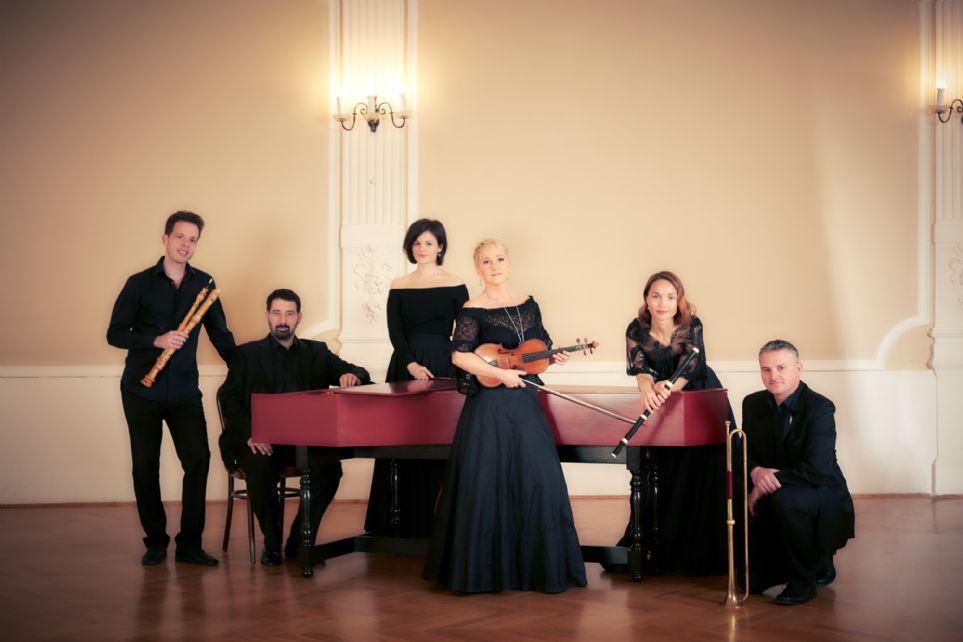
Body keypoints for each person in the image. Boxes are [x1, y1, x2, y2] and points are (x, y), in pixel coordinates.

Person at [423, 239, 587, 594]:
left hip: (525, 400)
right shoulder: (472, 309)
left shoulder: (529, 305)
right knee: (486, 482)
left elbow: (539, 350)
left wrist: (554, 356)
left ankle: (536, 570)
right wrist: (500, 374)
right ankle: (485, 574)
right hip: (490, 406)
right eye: (486, 261)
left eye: (499, 259)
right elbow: (460, 356)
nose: (494, 266)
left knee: (538, 476)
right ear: (477, 269)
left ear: (508, 264)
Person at [107, 210, 236, 566]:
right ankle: (156, 542)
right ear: (165, 239)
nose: (186, 244)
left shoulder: (204, 284)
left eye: (193, 239)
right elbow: (115, 333)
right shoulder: (138, 283)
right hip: (140, 389)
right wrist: (156, 340)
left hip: (183, 390)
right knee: (144, 466)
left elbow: (221, 335)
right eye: (180, 236)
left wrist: (245, 369)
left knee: (198, 460)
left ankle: (190, 544)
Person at [218, 289, 371, 566]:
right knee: (259, 467)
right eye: (277, 313)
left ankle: (299, 540)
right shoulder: (246, 354)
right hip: (261, 438)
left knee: (330, 469)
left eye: (289, 313)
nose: (282, 320)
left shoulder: (318, 352)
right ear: (267, 315)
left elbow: (358, 371)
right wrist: (251, 434)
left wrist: (353, 376)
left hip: (303, 440)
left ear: (299, 317)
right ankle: (272, 543)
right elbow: (229, 400)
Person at [608, 270, 731, 575]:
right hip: (663, 399)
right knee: (664, 467)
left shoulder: (692, 325)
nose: (663, 303)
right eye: (656, 296)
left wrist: (668, 388)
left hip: (700, 396)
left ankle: (704, 553)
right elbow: (640, 370)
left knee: (705, 468)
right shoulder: (636, 329)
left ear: (679, 301)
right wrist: (646, 389)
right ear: (647, 300)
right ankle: (658, 549)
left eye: (670, 297)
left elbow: (692, 367)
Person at [364, 219, 468, 538]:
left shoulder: (456, 283)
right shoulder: (399, 284)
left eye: (429, 243)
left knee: (440, 438)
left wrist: (455, 363)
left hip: (444, 365)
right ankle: (398, 520)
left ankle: (442, 520)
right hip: (404, 365)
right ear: (410, 247)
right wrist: (410, 364)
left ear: (440, 247)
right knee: (402, 438)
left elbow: (466, 332)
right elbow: (395, 332)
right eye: (417, 243)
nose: (422, 248)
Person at [739, 339, 855, 605]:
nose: (773, 376)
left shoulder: (820, 408)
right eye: (766, 369)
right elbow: (746, 451)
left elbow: (817, 470)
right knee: (750, 583)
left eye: (781, 367)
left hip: (819, 490)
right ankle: (785, 565)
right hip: (777, 485)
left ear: (798, 368)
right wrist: (755, 472)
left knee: (785, 499)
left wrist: (764, 482)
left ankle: (803, 581)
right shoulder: (752, 403)